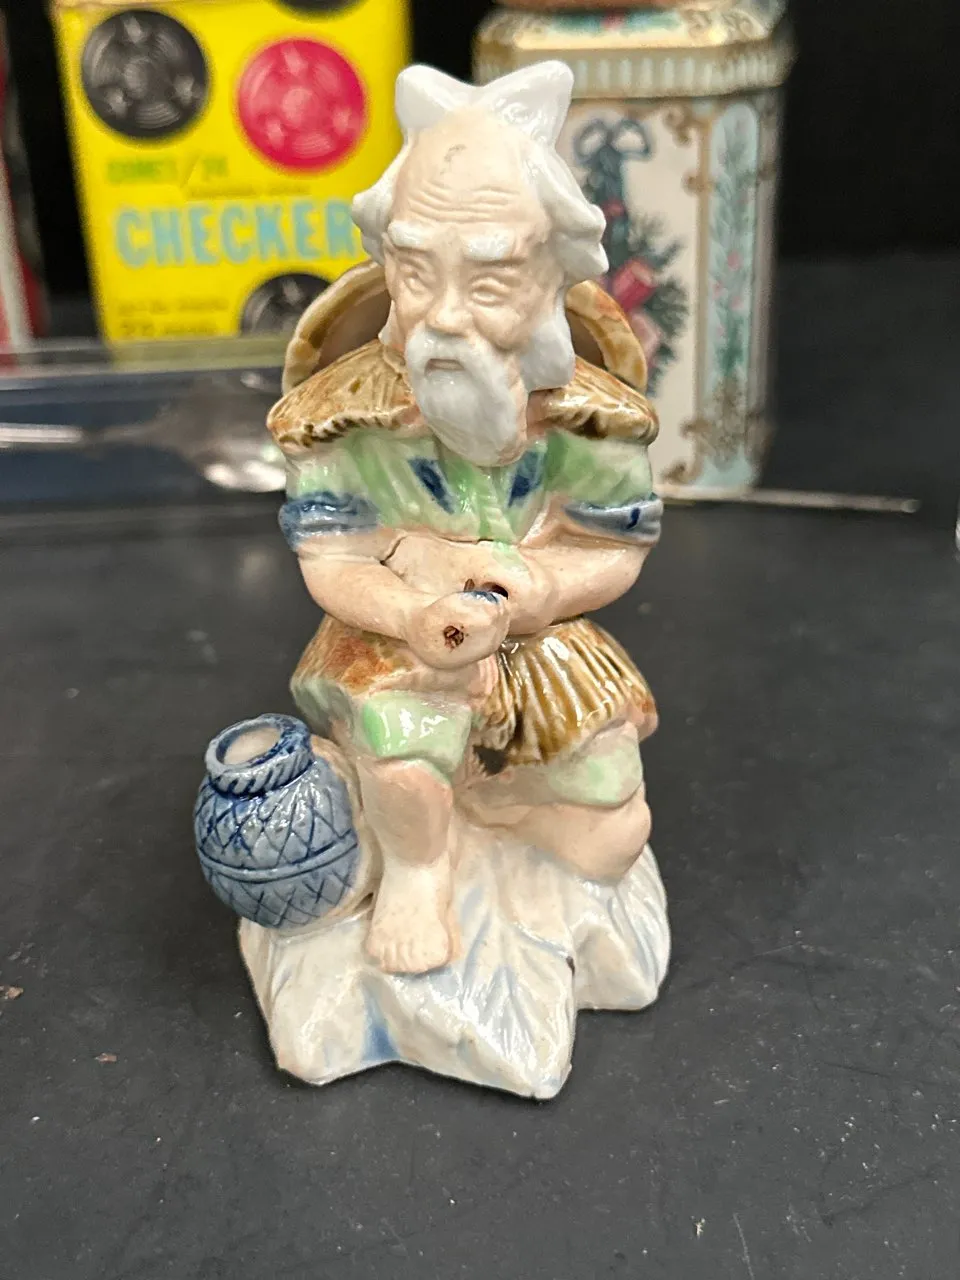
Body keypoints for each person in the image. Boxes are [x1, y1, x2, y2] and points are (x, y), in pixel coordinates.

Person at [267, 63, 663, 974]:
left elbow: (612, 546)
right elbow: (332, 559)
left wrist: (543, 589)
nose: (445, 317)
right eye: (415, 272)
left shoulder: (589, 420)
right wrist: (410, 613)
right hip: (398, 637)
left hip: (537, 637)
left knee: (614, 830)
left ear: (552, 277)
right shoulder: (343, 418)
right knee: (403, 759)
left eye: (488, 284)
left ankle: (501, 808)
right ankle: (418, 866)